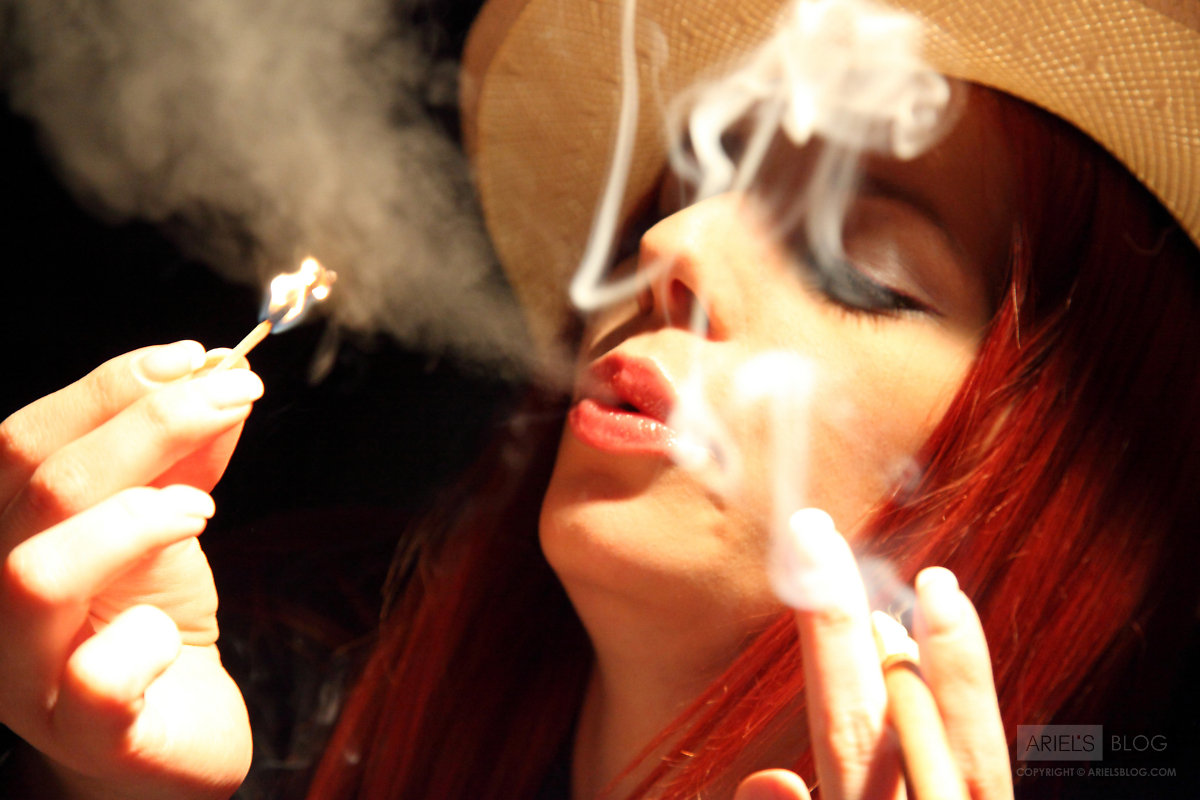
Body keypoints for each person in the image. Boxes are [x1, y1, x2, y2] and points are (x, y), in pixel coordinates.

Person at [1, 0, 1197, 799]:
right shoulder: (278, 675)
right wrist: (102, 784)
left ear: (1070, 472)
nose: (670, 243)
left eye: (854, 262)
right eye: (675, 196)